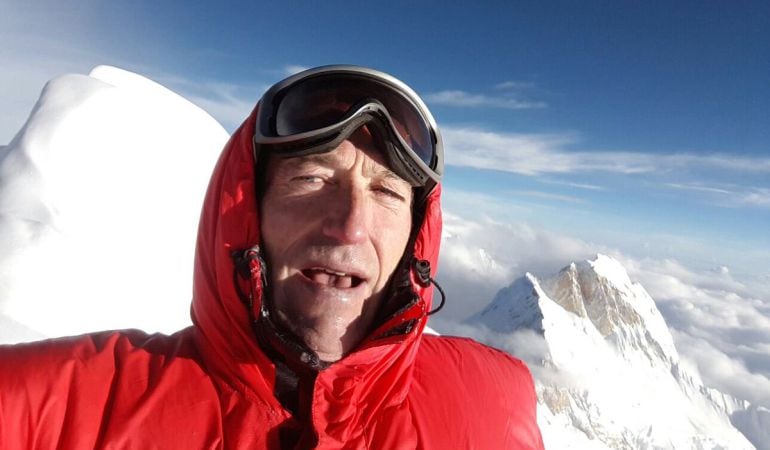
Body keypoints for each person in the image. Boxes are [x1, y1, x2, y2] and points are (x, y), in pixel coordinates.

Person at [0, 65, 544, 449]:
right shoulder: (73, 408)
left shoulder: (495, 399)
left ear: (416, 238)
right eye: (310, 178)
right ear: (245, 215)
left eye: (387, 192)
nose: (351, 225)